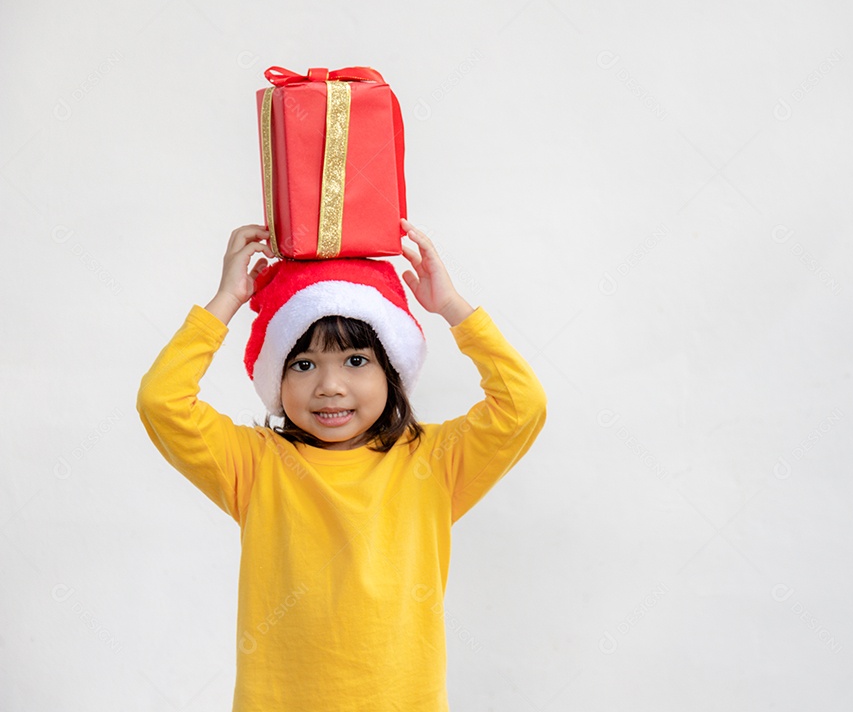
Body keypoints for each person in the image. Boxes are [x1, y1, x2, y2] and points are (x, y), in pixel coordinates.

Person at [136, 219, 546, 711]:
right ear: (277, 380)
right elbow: (162, 401)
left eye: (355, 360)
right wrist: (226, 300)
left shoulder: (432, 463)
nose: (330, 386)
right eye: (304, 364)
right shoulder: (256, 465)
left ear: (392, 371)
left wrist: (453, 309)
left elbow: (523, 405)